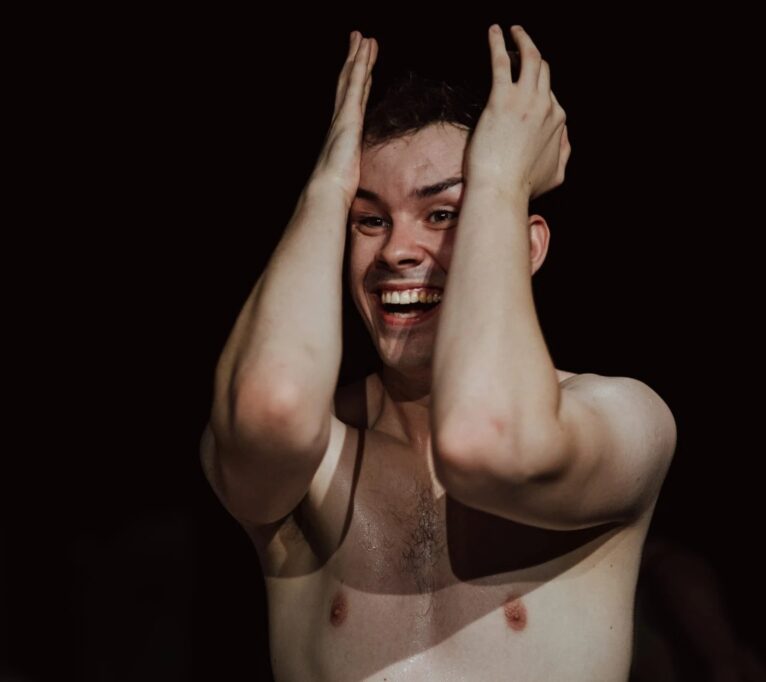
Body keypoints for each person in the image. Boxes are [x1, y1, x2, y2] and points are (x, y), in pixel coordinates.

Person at [200, 24, 677, 681]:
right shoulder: (314, 455)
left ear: (528, 244)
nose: (397, 250)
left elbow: (490, 441)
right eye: (369, 219)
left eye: (443, 214)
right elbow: (271, 408)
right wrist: (327, 186)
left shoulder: (623, 417)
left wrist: (499, 183)